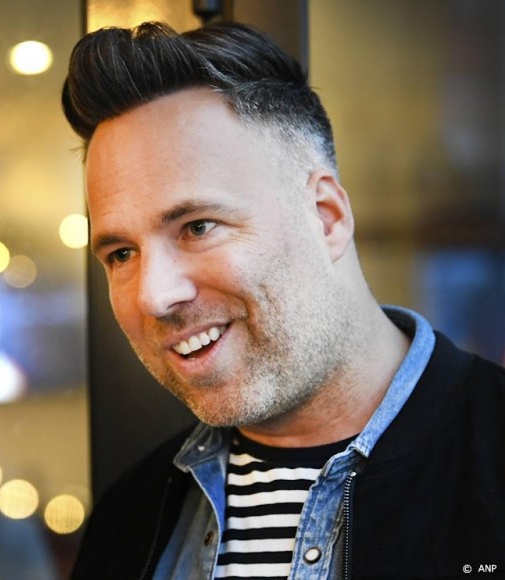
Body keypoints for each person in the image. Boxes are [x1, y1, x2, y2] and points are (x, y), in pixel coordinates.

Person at [61, 20, 505, 580]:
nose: (154, 295)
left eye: (198, 227)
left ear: (326, 217)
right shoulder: (129, 521)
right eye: (122, 253)